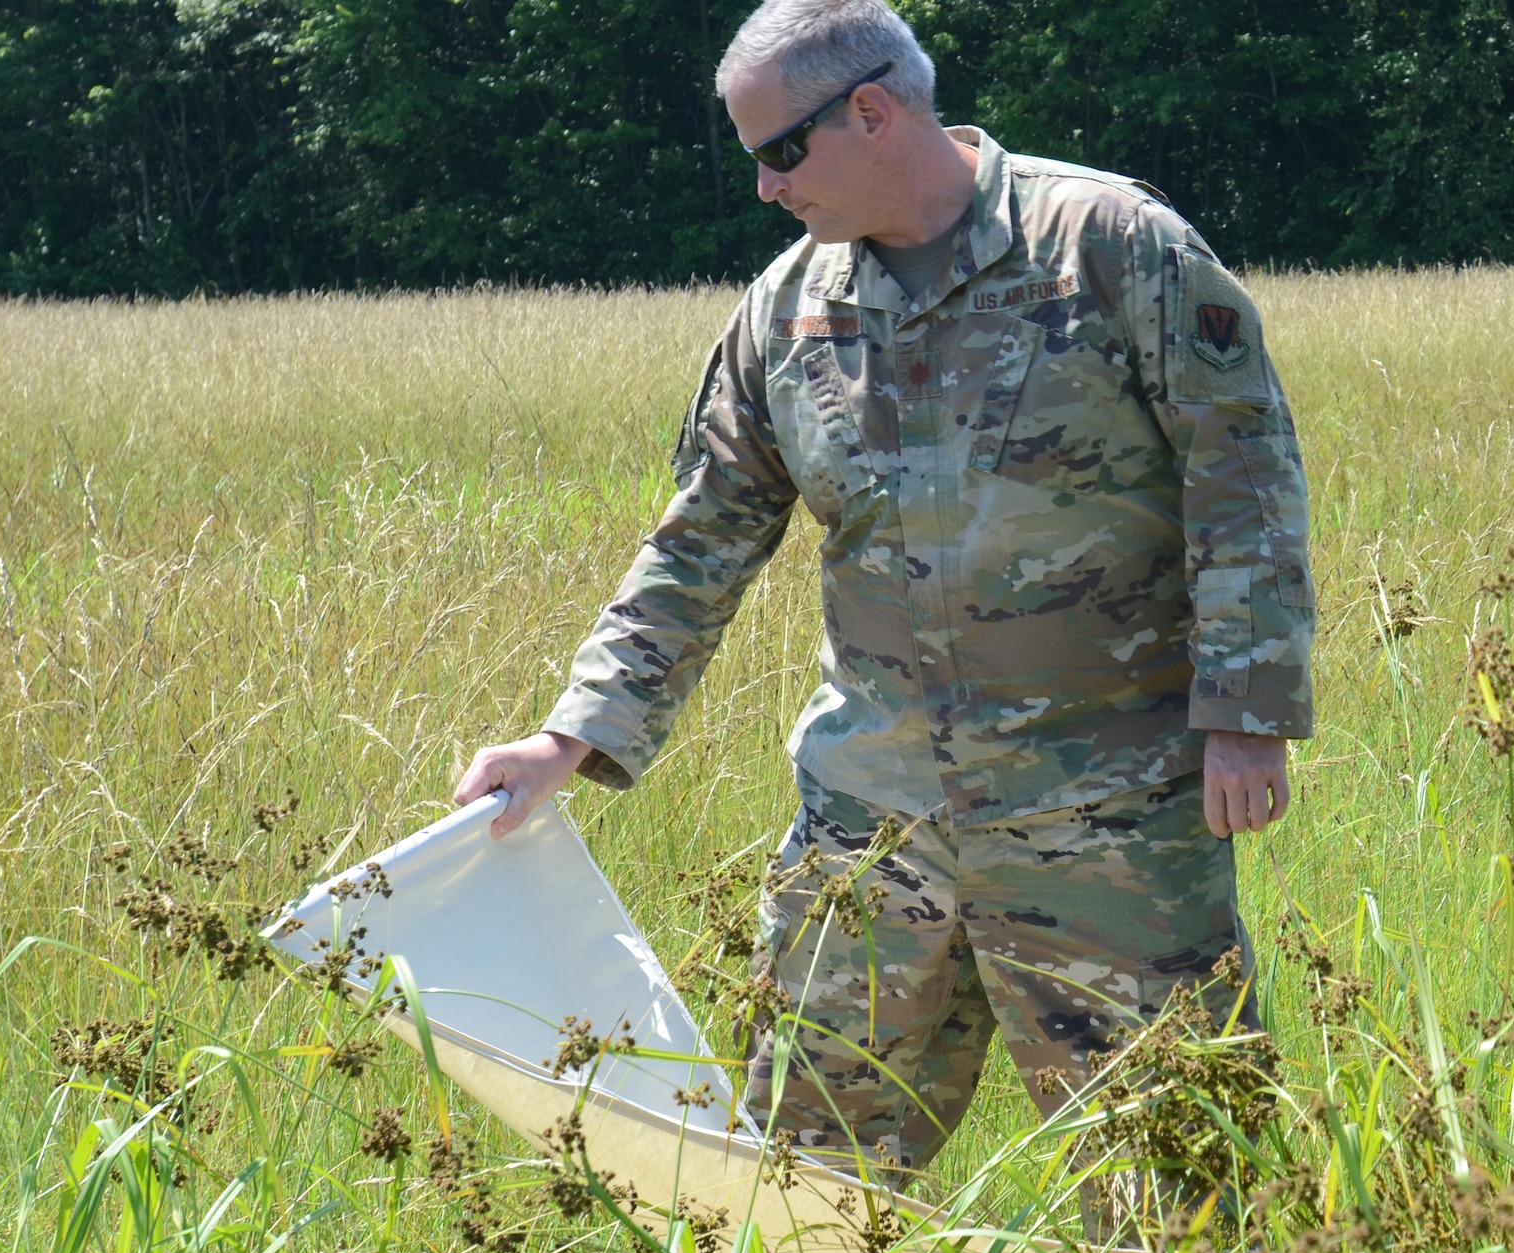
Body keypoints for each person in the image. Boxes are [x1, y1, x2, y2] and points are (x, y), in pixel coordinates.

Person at [452, 0, 1314, 1186]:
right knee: (802, 1194)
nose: (764, 189)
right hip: (869, 835)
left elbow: (1242, 469)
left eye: (777, 153)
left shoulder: (1111, 246)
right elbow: (700, 537)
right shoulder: (783, 311)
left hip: (1104, 823)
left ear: (871, 110)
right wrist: (569, 736)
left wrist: (1246, 708)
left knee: (1180, 1187)